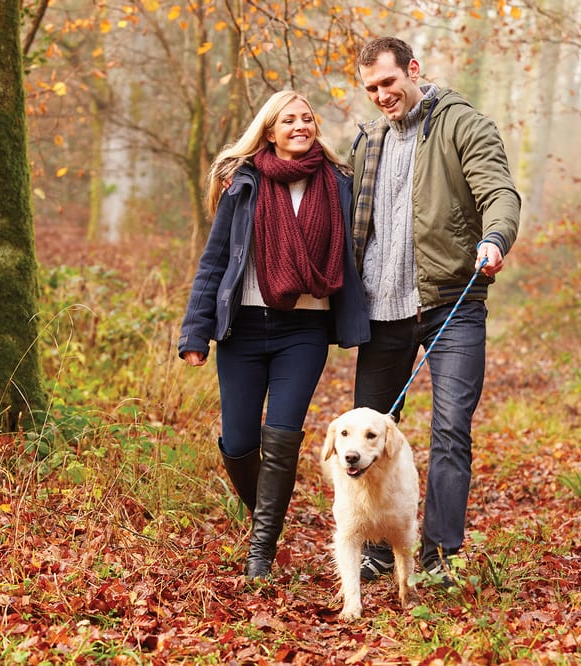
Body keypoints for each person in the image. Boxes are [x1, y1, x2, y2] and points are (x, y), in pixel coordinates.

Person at [348, 37, 521, 582]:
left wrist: (495, 238)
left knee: (450, 430)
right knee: (366, 440)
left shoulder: (463, 125)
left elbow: (500, 192)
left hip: (453, 304)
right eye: (371, 88)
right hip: (382, 312)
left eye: (388, 82)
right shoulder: (366, 142)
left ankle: (440, 556)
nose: (381, 95)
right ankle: (377, 548)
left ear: (413, 70)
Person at [178, 90, 369, 580]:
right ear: (270, 131)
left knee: (281, 438)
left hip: (303, 331)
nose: (300, 126)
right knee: (239, 441)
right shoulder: (243, 184)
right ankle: (269, 511)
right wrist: (195, 332)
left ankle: (261, 551)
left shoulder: (339, 183)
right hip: (242, 330)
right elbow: (215, 260)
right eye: (289, 120)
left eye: (307, 119)